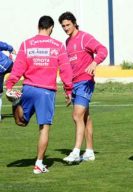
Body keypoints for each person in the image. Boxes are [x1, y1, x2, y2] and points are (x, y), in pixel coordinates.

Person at [5, 15, 73, 174]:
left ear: (38, 27)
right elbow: (65, 69)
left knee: (21, 122)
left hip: (28, 88)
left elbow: (19, 66)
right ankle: (39, 164)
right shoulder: (57, 46)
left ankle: (16, 104)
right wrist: (68, 90)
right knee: (44, 128)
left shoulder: (27, 44)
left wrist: (10, 84)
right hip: (46, 91)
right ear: (51, 28)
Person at [58, 12, 108, 163]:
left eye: (68, 25)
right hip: (74, 85)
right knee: (85, 117)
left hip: (85, 82)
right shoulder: (67, 42)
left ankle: (75, 152)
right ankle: (90, 151)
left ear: (74, 23)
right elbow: (68, 68)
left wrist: (94, 63)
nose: (66, 28)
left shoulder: (85, 37)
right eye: (63, 26)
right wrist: (67, 90)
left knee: (76, 115)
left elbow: (103, 50)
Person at [0, 41, 16, 121]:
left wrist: (11, 49)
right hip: (2, 70)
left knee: (24, 73)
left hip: (8, 64)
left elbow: (4, 45)